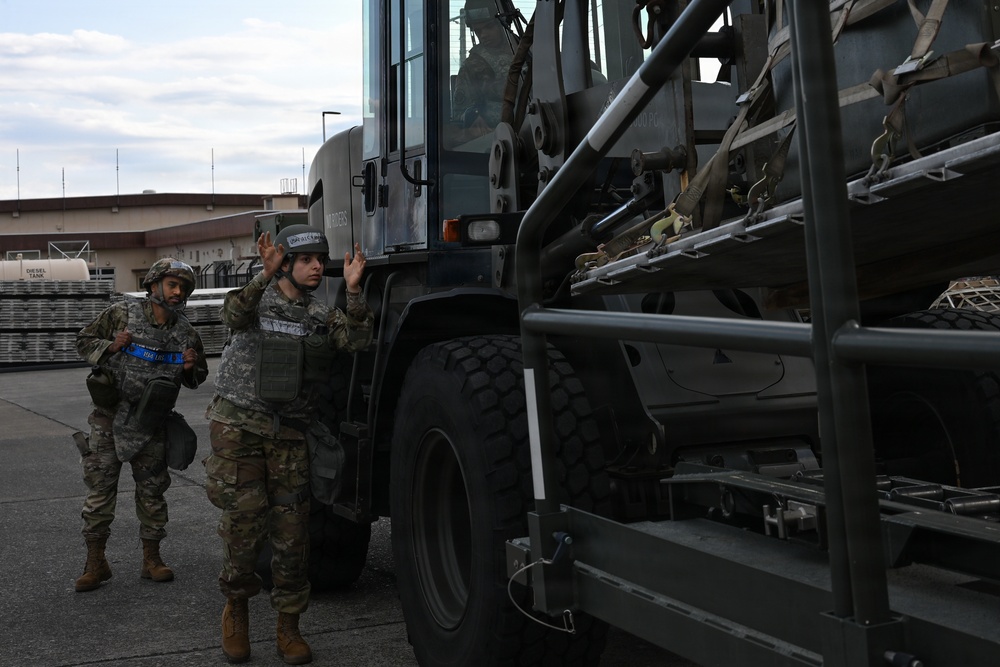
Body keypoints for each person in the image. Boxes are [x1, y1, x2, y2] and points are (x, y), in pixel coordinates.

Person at [204, 225, 373, 665]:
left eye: (321, 259)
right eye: (306, 260)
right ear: (285, 264)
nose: (318, 266)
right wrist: (262, 275)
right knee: (243, 529)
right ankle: (236, 611)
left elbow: (356, 340)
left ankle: (288, 628)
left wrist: (354, 291)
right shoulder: (258, 300)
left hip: (290, 434)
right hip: (239, 427)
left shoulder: (320, 314)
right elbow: (232, 315)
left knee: (293, 538)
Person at [74, 258, 208, 593]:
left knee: (152, 493)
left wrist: (191, 368)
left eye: (183, 288)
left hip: (151, 424)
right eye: (172, 285)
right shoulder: (122, 315)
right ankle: (96, 562)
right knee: (100, 492)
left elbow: (197, 378)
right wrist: (110, 346)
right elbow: (83, 341)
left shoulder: (186, 333)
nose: (178, 293)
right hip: (109, 419)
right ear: (153, 285)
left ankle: (152, 559)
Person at [451, 0, 517, 141]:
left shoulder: (529, 51)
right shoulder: (472, 66)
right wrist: (472, 116)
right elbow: (460, 112)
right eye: (478, 31)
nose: (484, 35)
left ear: (502, 23)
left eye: (488, 27)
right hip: (499, 140)